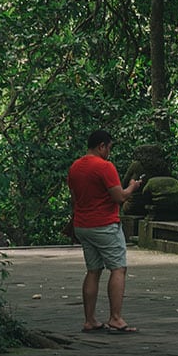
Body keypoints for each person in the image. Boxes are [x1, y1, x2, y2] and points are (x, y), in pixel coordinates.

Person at [67, 128, 143, 333]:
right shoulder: (104, 166)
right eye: (109, 147)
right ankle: (116, 318)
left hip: (83, 225)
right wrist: (132, 187)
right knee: (118, 268)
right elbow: (119, 197)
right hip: (104, 225)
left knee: (93, 270)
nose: (109, 152)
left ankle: (89, 319)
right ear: (101, 146)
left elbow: (74, 199)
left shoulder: (75, 167)